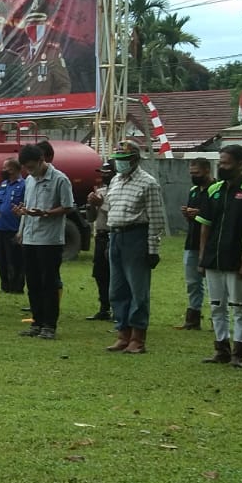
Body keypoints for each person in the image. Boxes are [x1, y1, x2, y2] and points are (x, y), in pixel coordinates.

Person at [196, 144, 242, 368]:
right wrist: (202, 256)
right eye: (220, 162)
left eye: (226, 163)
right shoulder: (213, 190)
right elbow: (205, 226)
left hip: (236, 257)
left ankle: (239, 352)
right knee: (216, 304)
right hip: (213, 258)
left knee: (238, 306)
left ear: (240, 164)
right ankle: (221, 349)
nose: (221, 166)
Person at [103, 139, 166, 354]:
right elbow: (111, 209)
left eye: (124, 159)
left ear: (135, 159)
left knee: (138, 290)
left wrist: (152, 250)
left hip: (136, 237)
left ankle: (138, 337)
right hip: (116, 237)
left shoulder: (148, 183)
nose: (120, 163)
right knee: (117, 289)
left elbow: (156, 219)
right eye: (117, 159)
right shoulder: (115, 181)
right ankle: (123, 333)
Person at [16, 143, 72, 339]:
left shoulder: (60, 179)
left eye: (32, 167)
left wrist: (47, 213)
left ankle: (49, 325)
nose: (29, 171)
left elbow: (67, 207)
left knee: (48, 283)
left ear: (42, 161)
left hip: (49, 239)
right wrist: (21, 226)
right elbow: (28, 207)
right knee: (32, 283)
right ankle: (36, 323)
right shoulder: (30, 180)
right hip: (30, 237)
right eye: (26, 168)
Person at [177, 158, 213, 330]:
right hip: (192, 241)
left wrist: (200, 213)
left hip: (212, 242)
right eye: (191, 173)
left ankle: (217, 318)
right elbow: (195, 218)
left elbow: (218, 215)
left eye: (196, 173)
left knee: (212, 283)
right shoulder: (193, 191)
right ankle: (193, 317)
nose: (193, 176)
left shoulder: (217, 190)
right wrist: (188, 214)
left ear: (207, 170)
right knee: (192, 282)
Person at [0, 158, 25, 295]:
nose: (3, 170)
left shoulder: (23, 185)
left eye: (5, 168)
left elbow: (24, 207)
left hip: (13, 229)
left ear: (12, 169)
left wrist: (21, 230)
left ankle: (16, 287)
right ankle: (5, 286)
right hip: (0, 227)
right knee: (2, 260)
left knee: (15, 260)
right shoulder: (3, 185)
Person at [86, 163, 114, 322]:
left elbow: (115, 211)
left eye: (107, 172)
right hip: (101, 235)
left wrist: (100, 204)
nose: (103, 175)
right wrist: (91, 205)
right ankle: (104, 308)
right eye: (101, 172)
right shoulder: (101, 191)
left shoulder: (118, 191)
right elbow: (91, 218)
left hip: (113, 235)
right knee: (100, 274)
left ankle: (118, 309)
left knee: (115, 274)